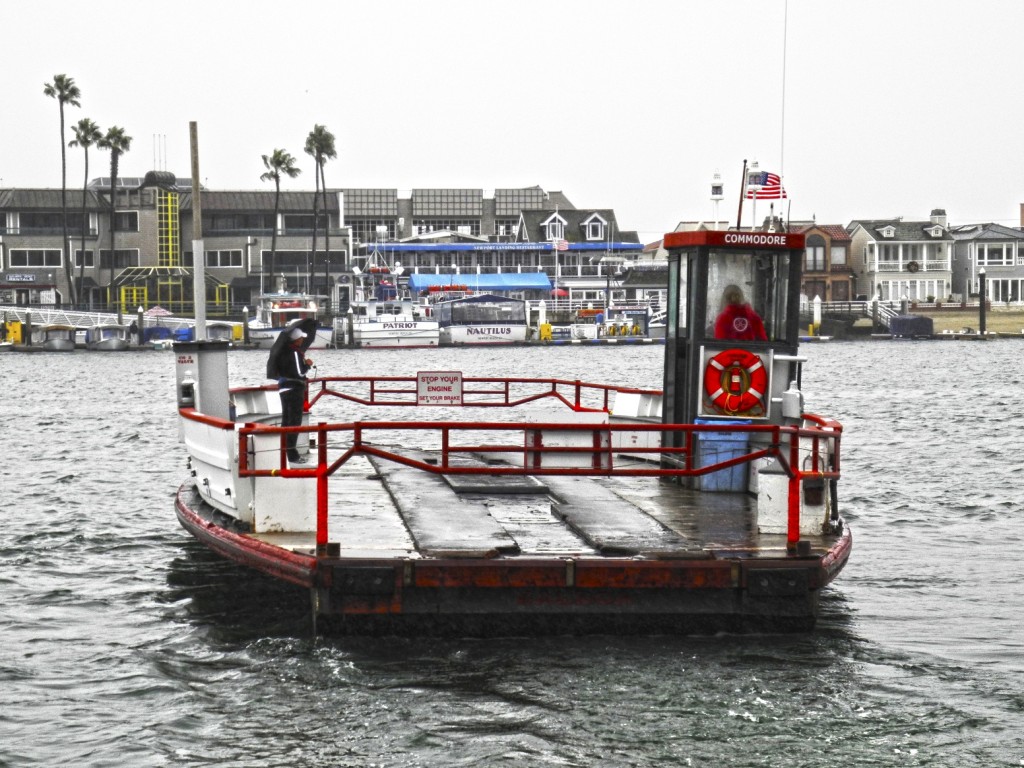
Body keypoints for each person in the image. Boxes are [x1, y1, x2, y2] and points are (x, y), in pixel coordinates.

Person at [270, 326, 313, 464]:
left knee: (286, 422)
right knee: (294, 422)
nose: (302, 340)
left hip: (284, 389)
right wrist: (307, 365)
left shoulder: (282, 351)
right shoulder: (294, 353)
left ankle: (285, 452)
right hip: (294, 389)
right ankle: (292, 455)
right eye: (301, 338)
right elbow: (299, 373)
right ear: (297, 339)